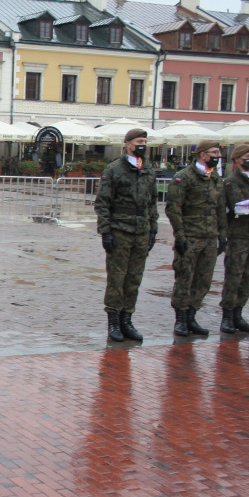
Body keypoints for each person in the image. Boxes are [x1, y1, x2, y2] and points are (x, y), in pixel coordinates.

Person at [94, 128, 159, 342]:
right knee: (117, 278)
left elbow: (152, 202)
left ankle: (127, 320)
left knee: (134, 278)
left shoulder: (148, 169)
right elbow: (103, 203)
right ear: (128, 144)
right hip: (120, 230)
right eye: (139, 141)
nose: (143, 145)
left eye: (145, 142)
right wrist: (106, 232)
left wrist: (153, 229)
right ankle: (113, 322)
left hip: (141, 231)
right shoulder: (114, 170)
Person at [166, 139, 227, 336]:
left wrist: (222, 235)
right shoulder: (184, 177)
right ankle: (181, 319)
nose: (218, 156)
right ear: (202, 154)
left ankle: (192, 316)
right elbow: (174, 208)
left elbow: (220, 209)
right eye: (214, 153)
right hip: (190, 236)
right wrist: (180, 235)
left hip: (210, 237)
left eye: (218, 153)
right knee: (185, 277)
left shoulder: (216, 178)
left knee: (204, 280)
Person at [219, 144, 249, 333]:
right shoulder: (232, 181)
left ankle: (238, 313)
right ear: (237, 159)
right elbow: (235, 205)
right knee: (234, 276)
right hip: (239, 235)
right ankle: (228, 316)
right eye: (247, 156)